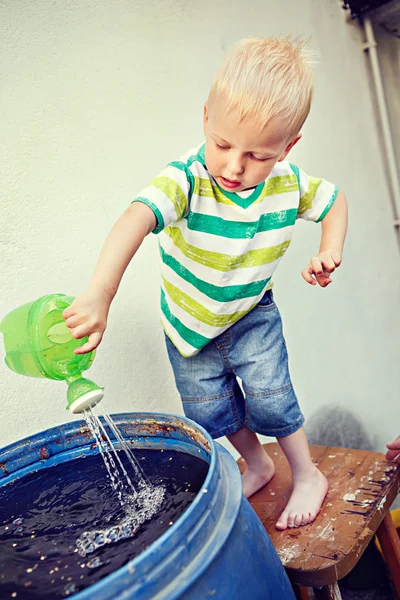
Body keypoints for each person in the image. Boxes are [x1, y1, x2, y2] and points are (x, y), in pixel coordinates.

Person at [63, 37, 348, 530]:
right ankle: (256, 463)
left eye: (258, 155)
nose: (235, 167)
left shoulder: (288, 181)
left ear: (288, 147)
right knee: (210, 407)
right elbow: (136, 218)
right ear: (205, 121)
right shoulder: (187, 179)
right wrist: (99, 294)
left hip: (251, 314)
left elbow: (334, 201)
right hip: (189, 324)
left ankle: (307, 474)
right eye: (222, 145)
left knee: (272, 395)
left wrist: (330, 249)